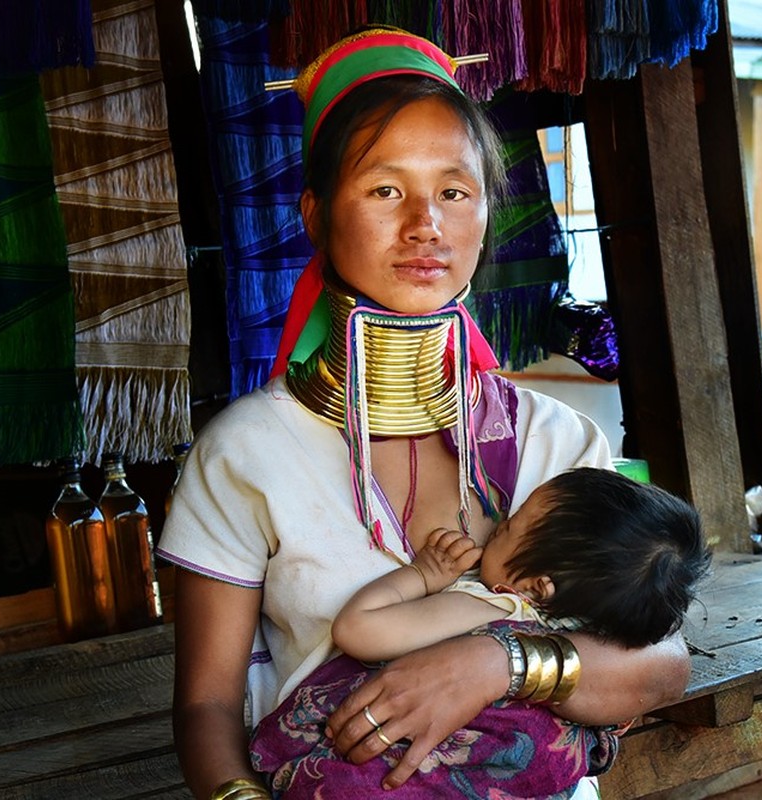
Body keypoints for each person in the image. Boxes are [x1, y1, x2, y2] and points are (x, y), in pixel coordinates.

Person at [157, 26, 693, 800]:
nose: (425, 225)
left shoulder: (553, 440)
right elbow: (206, 705)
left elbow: (662, 663)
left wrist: (491, 664)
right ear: (315, 213)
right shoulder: (246, 452)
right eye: (384, 189)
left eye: (454, 191)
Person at [248, 467, 710, 797]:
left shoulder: (492, 606)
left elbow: (359, 630)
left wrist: (423, 575)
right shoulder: (604, 635)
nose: (493, 531)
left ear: (535, 587)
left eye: (508, 528)